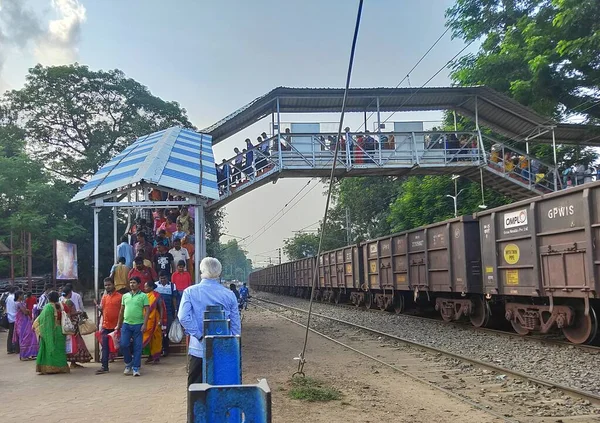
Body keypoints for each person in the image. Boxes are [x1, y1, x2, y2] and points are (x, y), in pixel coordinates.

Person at [178, 257, 241, 396]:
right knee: (221, 390)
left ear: (201, 270)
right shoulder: (229, 295)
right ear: (219, 272)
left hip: (197, 349)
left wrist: (199, 335)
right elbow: (236, 326)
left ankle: (195, 417)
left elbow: (183, 317)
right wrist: (233, 346)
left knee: (195, 391)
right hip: (222, 349)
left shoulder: (190, 292)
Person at [116, 277, 150, 377]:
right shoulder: (125, 296)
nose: (132, 284)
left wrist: (145, 324)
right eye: (130, 283)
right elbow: (121, 311)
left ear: (139, 284)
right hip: (126, 324)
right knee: (123, 344)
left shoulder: (143, 296)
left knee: (138, 347)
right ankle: (128, 363)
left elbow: (147, 310)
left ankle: (136, 368)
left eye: (134, 283)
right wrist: (118, 325)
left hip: (138, 324)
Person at [36, 291, 70, 374]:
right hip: (61, 332)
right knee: (60, 350)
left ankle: (49, 368)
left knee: (49, 349)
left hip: (51, 331)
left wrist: (41, 330)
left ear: (49, 298)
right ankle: (62, 367)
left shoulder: (48, 307)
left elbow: (44, 321)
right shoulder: (61, 305)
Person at [96, 278, 123, 374]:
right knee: (105, 346)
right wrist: (98, 308)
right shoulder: (104, 297)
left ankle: (130, 363)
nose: (107, 287)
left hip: (117, 326)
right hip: (106, 325)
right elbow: (103, 310)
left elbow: (123, 311)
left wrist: (120, 324)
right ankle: (104, 366)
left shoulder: (120, 297)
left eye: (109, 285)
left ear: (113, 284)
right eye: (105, 285)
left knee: (123, 345)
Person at [61, 286, 92, 368]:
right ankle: (73, 362)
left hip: (65, 325)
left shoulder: (61, 301)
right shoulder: (69, 302)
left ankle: (70, 361)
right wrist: (78, 313)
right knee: (76, 342)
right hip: (72, 325)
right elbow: (70, 314)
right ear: (70, 293)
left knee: (68, 343)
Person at [142, 281, 166, 364]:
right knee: (147, 339)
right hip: (146, 320)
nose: (145, 288)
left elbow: (161, 308)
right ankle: (150, 356)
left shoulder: (157, 295)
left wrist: (161, 319)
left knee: (156, 338)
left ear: (151, 287)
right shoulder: (144, 296)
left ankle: (156, 357)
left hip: (155, 319)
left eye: (146, 287)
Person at [155, 271, 178, 356]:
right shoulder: (155, 285)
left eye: (164, 278)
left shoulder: (172, 286)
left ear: (167, 278)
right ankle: (158, 349)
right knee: (158, 331)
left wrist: (175, 310)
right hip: (157, 312)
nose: (162, 280)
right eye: (161, 278)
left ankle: (166, 349)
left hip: (168, 312)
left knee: (166, 330)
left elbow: (174, 299)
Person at [12, 291, 39, 360]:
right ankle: (24, 355)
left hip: (23, 322)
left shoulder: (19, 303)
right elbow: (25, 312)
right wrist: (29, 311)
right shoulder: (19, 303)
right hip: (22, 322)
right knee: (25, 337)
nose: (23, 296)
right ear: (19, 295)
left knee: (28, 336)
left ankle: (28, 354)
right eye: (22, 295)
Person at [5, 286, 18, 355]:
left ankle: (10, 348)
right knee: (15, 333)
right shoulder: (13, 298)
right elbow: (16, 307)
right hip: (15, 317)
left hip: (10, 316)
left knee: (11, 333)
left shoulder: (8, 297)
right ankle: (15, 348)